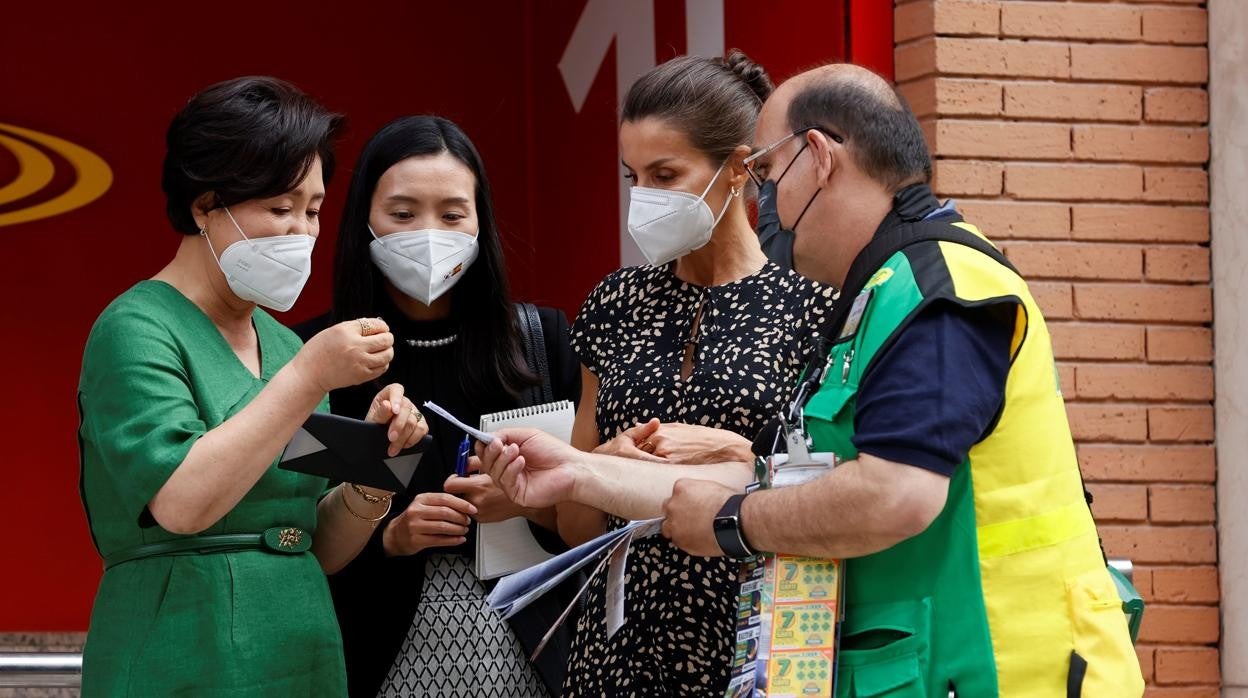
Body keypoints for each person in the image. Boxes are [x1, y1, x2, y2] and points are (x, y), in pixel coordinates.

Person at [478, 63, 1145, 697]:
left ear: (820, 158)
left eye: (767, 174)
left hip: (1002, 666)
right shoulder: (876, 296)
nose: (766, 203)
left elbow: (894, 494)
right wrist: (578, 474)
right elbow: (798, 480)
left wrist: (732, 521)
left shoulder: (935, 286)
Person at [77, 77, 428, 697]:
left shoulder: (287, 347)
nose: (303, 231)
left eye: (314, 210)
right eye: (279, 207)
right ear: (205, 204)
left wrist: (376, 467)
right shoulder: (135, 328)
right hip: (180, 644)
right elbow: (182, 504)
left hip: (301, 641)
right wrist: (308, 378)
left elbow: (310, 542)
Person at [558, 50, 834, 697]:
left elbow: (840, 490)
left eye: (665, 174)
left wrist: (739, 452)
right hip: (616, 651)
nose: (644, 198)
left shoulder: (811, 303)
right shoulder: (613, 304)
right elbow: (571, 522)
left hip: (756, 642)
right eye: (634, 176)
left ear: (738, 168)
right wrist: (603, 462)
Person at [298, 115, 580, 698]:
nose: (429, 233)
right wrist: (389, 537)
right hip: (371, 654)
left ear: (481, 222)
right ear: (364, 223)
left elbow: (593, 517)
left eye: (453, 214)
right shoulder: (314, 355)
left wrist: (530, 504)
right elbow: (294, 534)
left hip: (531, 653)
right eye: (402, 214)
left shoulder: (541, 340)